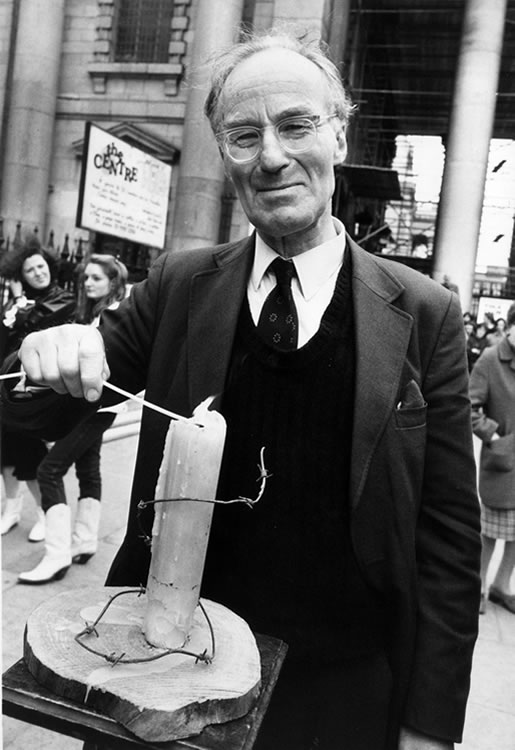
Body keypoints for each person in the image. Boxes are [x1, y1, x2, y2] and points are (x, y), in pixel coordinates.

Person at [1, 29, 481, 750]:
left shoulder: (423, 313)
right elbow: (45, 408)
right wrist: (43, 354)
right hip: (159, 681)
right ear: (223, 152)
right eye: (244, 135)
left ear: (339, 134)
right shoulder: (177, 286)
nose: (272, 157)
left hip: (339, 691)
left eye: (296, 125)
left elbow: (447, 537)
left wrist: (428, 723)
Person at [17, 255, 128, 584]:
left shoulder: (116, 314)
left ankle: (57, 554)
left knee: (49, 470)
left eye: (96, 278)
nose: (88, 283)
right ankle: (85, 541)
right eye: (86, 278)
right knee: (88, 470)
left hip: (99, 406)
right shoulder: (89, 314)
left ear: (113, 281)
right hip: (92, 405)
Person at [0, 237, 76, 541]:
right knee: (5, 454)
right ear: (22, 275)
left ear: (50, 266)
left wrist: (18, 302)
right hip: (8, 385)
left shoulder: (62, 298)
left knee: (31, 455)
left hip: (34, 390)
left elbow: (32, 322)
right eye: (30, 270)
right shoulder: (17, 303)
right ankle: (11, 509)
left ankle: (45, 513)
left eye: (40, 266)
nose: (38, 273)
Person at [469, 302, 515, 616]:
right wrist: (495, 437)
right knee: (489, 532)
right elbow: (468, 407)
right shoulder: (490, 359)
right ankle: (478, 587)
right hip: (503, 461)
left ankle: (501, 586)